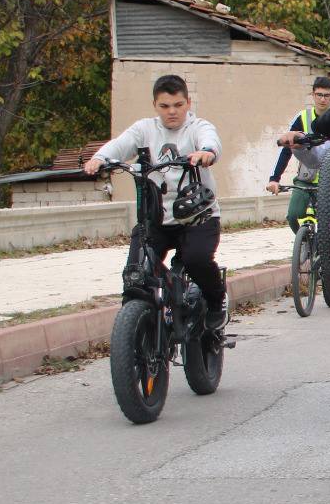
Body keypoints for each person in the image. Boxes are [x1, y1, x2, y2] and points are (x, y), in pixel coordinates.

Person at [85, 74, 227, 334]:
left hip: (198, 219)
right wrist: (99, 159)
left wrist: (207, 153)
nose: (172, 111)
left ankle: (217, 302)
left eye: (178, 105)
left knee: (196, 260)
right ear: (155, 105)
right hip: (156, 220)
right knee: (136, 275)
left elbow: (211, 141)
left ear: (188, 103)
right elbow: (118, 146)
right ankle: (136, 334)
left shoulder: (198, 127)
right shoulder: (144, 129)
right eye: (164, 106)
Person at [265, 76, 330, 232]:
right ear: (313, 95)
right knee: (293, 216)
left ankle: (329, 251)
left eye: (326, 95)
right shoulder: (303, 117)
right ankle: (304, 244)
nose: (322, 99)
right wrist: (274, 179)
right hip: (305, 179)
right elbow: (287, 149)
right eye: (319, 95)